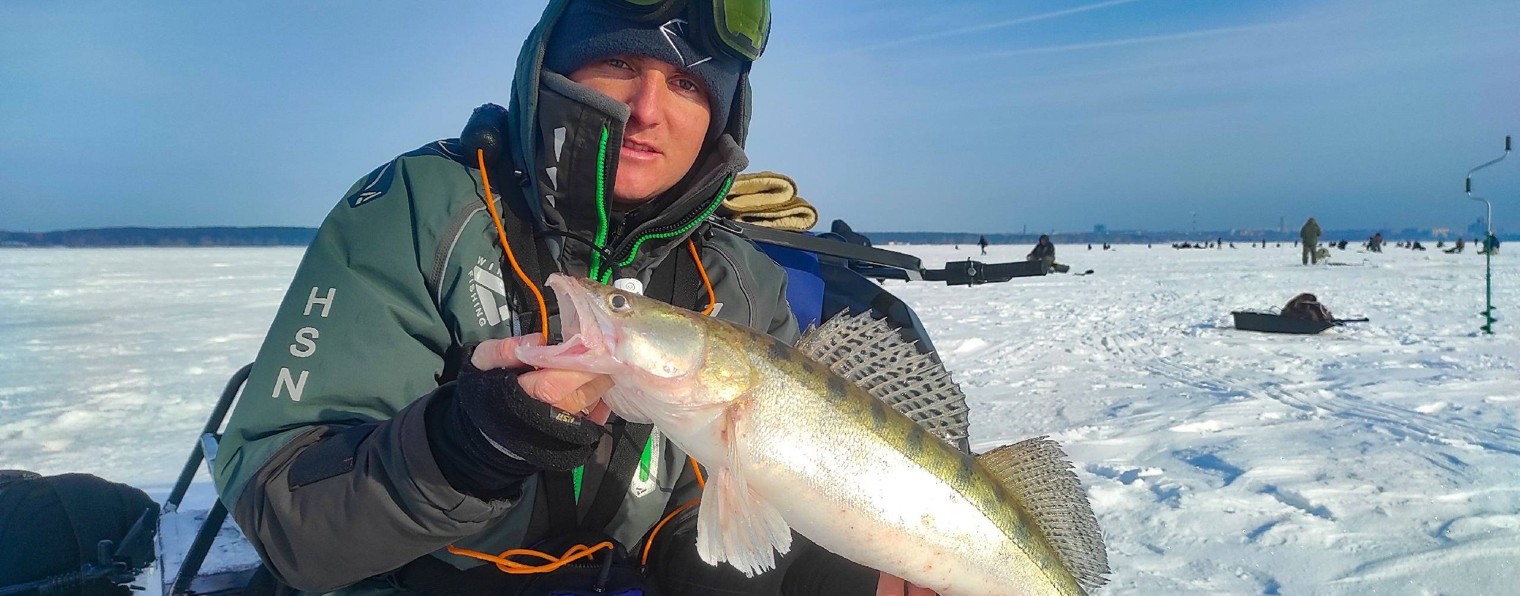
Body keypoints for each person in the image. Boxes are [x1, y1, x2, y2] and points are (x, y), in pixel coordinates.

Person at [211, 2, 924, 594]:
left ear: (723, 114)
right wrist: (468, 444)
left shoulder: (740, 278)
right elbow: (284, 518)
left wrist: (849, 580)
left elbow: (710, 514)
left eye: (687, 85)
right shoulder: (419, 213)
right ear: (552, 67)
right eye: (619, 65)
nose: (648, 110)